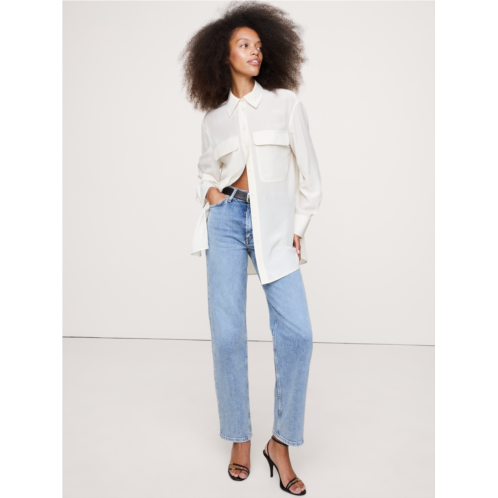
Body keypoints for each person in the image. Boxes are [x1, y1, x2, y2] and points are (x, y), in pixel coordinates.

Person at [180, 1, 322, 495]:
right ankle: (239, 436)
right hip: (225, 222)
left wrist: (298, 225)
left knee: (299, 335)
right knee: (227, 335)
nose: (255, 52)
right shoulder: (214, 119)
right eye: (244, 45)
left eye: (259, 46)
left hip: (275, 228)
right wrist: (211, 195)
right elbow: (205, 169)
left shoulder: (286, 104)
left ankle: (280, 443)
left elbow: (311, 176)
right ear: (223, 55)